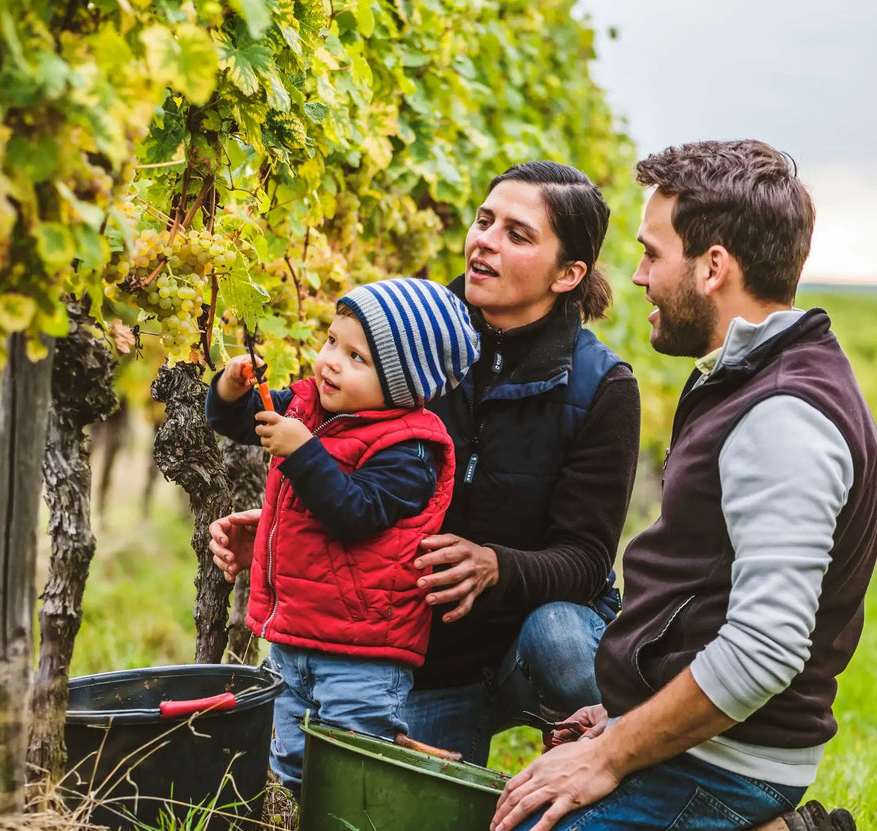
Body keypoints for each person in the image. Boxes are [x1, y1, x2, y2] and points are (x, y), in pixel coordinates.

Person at [430, 139, 877, 831]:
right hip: (700, 732)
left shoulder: (783, 419)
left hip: (730, 757)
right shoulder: (753, 376)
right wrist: (622, 712)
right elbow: (707, 607)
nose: (634, 276)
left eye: (650, 252)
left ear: (712, 267)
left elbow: (767, 650)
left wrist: (613, 755)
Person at [210, 161, 642, 767]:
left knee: (563, 640)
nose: (485, 240)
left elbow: (587, 558)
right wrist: (289, 523)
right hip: (418, 652)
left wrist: (494, 566)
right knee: (371, 822)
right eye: (484, 220)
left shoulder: (603, 388)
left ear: (568, 274)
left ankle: (612, 763)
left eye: (518, 235)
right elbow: (354, 471)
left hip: (524, 643)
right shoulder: (405, 345)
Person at [206, 278, 479, 792]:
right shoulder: (310, 409)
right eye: (333, 341)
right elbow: (236, 422)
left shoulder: (410, 449)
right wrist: (231, 388)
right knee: (288, 763)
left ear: (402, 385)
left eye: (358, 357)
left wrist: (304, 450)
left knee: (348, 770)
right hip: (294, 637)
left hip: (363, 654)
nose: (331, 360)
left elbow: (355, 514)